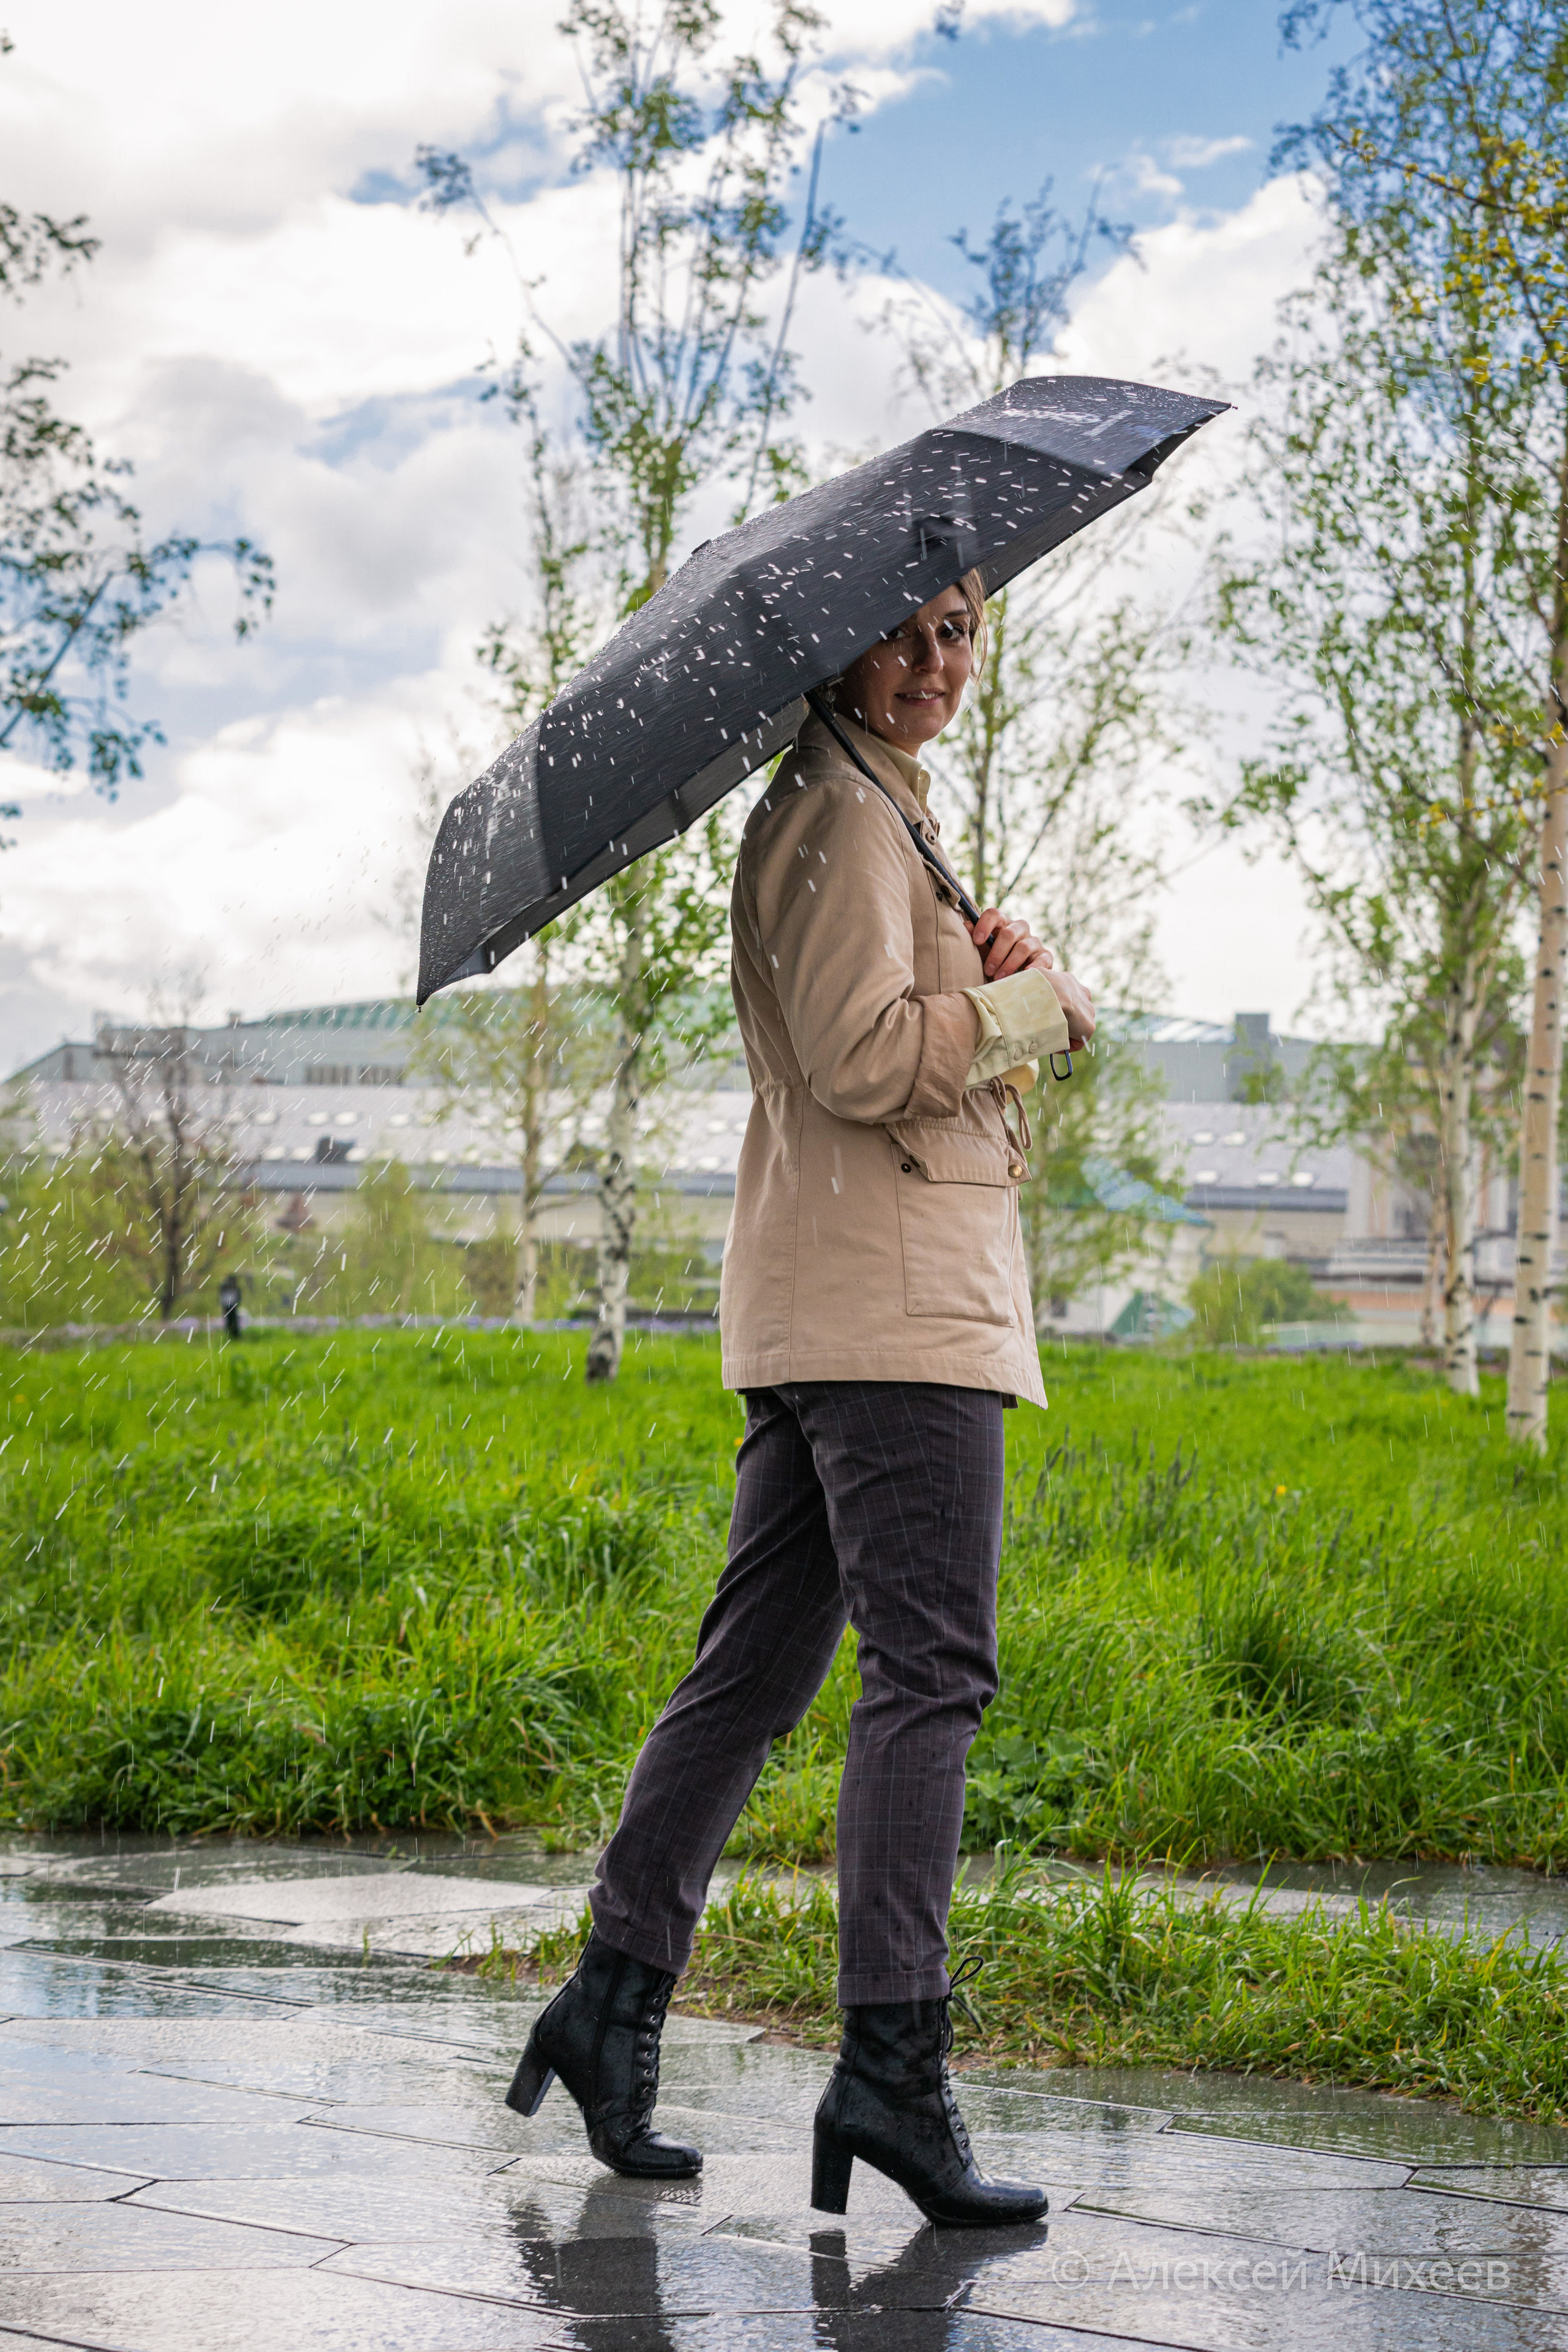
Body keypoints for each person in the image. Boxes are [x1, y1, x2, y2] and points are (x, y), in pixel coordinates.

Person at [507, 572, 1095, 2225]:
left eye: (961, 631)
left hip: (839, 1297)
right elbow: (858, 1055)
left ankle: (611, 2001)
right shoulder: (841, 816)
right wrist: (1028, 1008)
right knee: (934, 1676)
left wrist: (1000, 989)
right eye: (906, 629)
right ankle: (893, 2073)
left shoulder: (869, 811)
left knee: (752, 1678)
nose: (934, 660)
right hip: (895, 1319)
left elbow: (897, 1045)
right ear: (838, 648)